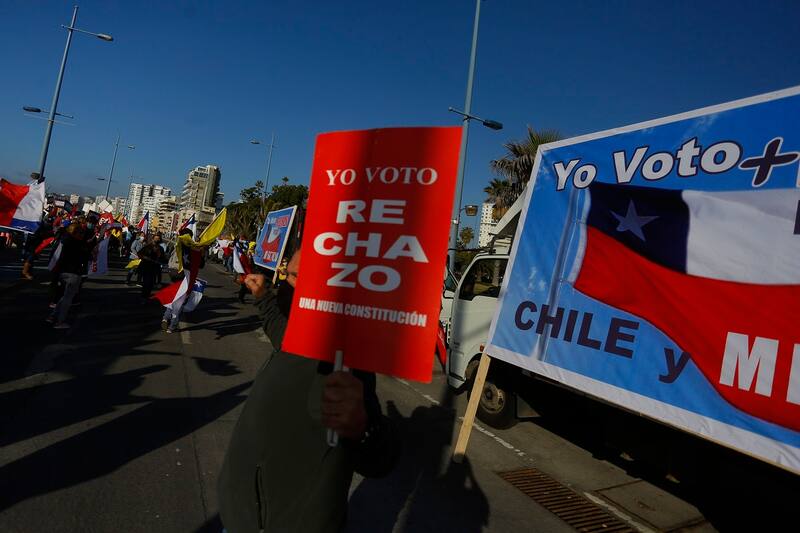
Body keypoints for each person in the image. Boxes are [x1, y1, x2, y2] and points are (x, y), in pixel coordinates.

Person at [217, 250, 399, 532]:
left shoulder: (343, 358)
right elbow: (280, 333)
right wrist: (263, 297)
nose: (283, 281)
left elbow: (379, 459)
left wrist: (362, 429)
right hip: (240, 513)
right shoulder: (300, 334)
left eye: (291, 276)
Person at [46, 222, 91, 329]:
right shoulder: (76, 244)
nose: (82, 235)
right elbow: (83, 257)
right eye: (80, 233)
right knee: (67, 299)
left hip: (62, 272)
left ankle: (53, 316)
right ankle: (60, 321)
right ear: (75, 233)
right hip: (73, 273)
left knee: (65, 297)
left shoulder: (65, 240)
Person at [160, 228, 202, 333]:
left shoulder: (177, 244)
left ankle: (165, 318)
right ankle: (172, 326)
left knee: (173, 297)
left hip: (173, 273)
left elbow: (168, 256)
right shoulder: (193, 248)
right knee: (180, 301)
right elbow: (201, 264)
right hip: (185, 275)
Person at [137, 233, 166, 302]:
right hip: (146, 267)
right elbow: (139, 253)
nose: (157, 240)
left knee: (151, 284)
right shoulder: (148, 246)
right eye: (155, 238)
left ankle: (147, 296)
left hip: (155, 268)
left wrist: (162, 261)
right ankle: (143, 297)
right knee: (146, 283)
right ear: (153, 239)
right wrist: (145, 257)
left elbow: (163, 258)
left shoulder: (161, 248)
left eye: (158, 239)